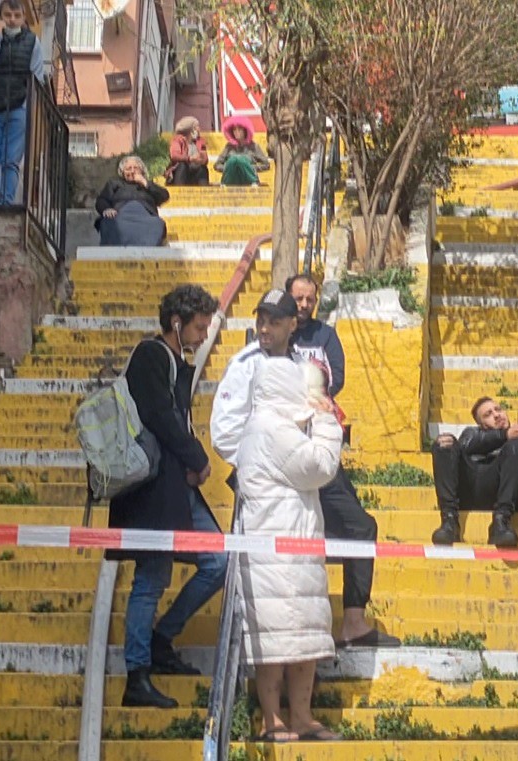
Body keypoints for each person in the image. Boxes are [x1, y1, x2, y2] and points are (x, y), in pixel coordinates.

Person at [211, 288, 401, 648]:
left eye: (274, 321)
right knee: (279, 559)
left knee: (360, 527)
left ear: (292, 324)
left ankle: (354, 623)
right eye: (261, 320)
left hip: (308, 464)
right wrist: (258, 462)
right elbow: (224, 429)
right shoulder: (245, 365)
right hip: (267, 477)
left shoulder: (304, 366)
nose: (264, 328)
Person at [111, 285, 227, 708]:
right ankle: (137, 675)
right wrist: (197, 456)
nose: (203, 335)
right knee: (151, 578)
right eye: (199, 327)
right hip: (154, 488)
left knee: (218, 561)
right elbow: (161, 417)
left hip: (176, 487)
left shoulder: (178, 361)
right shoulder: (151, 356)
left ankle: (161, 639)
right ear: (176, 323)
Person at [236, 358, 344, 742]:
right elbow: (319, 465)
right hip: (276, 550)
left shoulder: (268, 425)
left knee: (302, 634)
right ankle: (273, 719)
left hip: (294, 542)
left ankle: (301, 715)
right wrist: (328, 424)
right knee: (276, 638)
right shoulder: (271, 428)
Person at [429, 397, 518, 547]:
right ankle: (449, 521)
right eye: (488, 414)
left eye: (498, 409)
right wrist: (504, 435)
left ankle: (501, 522)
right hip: (471, 487)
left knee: (517, 447)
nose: (496, 415)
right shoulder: (472, 434)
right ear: (481, 425)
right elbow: (466, 445)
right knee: (445, 442)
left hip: (501, 491)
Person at [0, 0, 45, 206]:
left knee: (11, 162)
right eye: (7, 15)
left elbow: (37, 78)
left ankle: (6, 204)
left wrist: (28, 108)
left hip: (18, 107)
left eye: (16, 16)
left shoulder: (32, 42)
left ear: (23, 18)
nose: (12, 20)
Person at [286, 275, 344, 398]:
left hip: (318, 405)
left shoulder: (326, 334)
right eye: (299, 299)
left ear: (316, 302)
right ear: (288, 299)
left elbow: (337, 378)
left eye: (310, 300)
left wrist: (318, 398)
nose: (304, 304)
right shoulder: (279, 333)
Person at [95, 156, 170, 246]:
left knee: (157, 224)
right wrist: (106, 209)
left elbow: (164, 196)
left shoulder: (147, 185)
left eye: (136, 168)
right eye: (128, 169)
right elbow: (102, 199)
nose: (132, 171)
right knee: (109, 223)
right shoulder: (114, 183)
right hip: (121, 215)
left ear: (142, 171)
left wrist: (145, 183)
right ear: (122, 172)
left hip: (145, 216)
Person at [214, 116, 271, 187]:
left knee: (242, 160)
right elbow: (217, 165)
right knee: (233, 160)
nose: (236, 132)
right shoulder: (229, 147)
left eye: (239, 129)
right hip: (232, 179)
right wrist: (228, 166)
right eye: (234, 130)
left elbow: (266, 165)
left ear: (245, 130)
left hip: (248, 179)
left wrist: (250, 167)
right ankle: (225, 182)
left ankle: (253, 181)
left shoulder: (254, 146)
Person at [167, 117, 210, 186]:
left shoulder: (200, 142)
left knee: (203, 169)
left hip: (194, 172)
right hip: (180, 174)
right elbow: (174, 155)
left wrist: (202, 158)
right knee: (182, 165)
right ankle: (179, 190)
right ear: (191, 130)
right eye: (197, 127)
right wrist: (190, 159)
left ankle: (204, 193)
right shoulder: (178, 140)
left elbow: (205, 161)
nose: (199, 129)